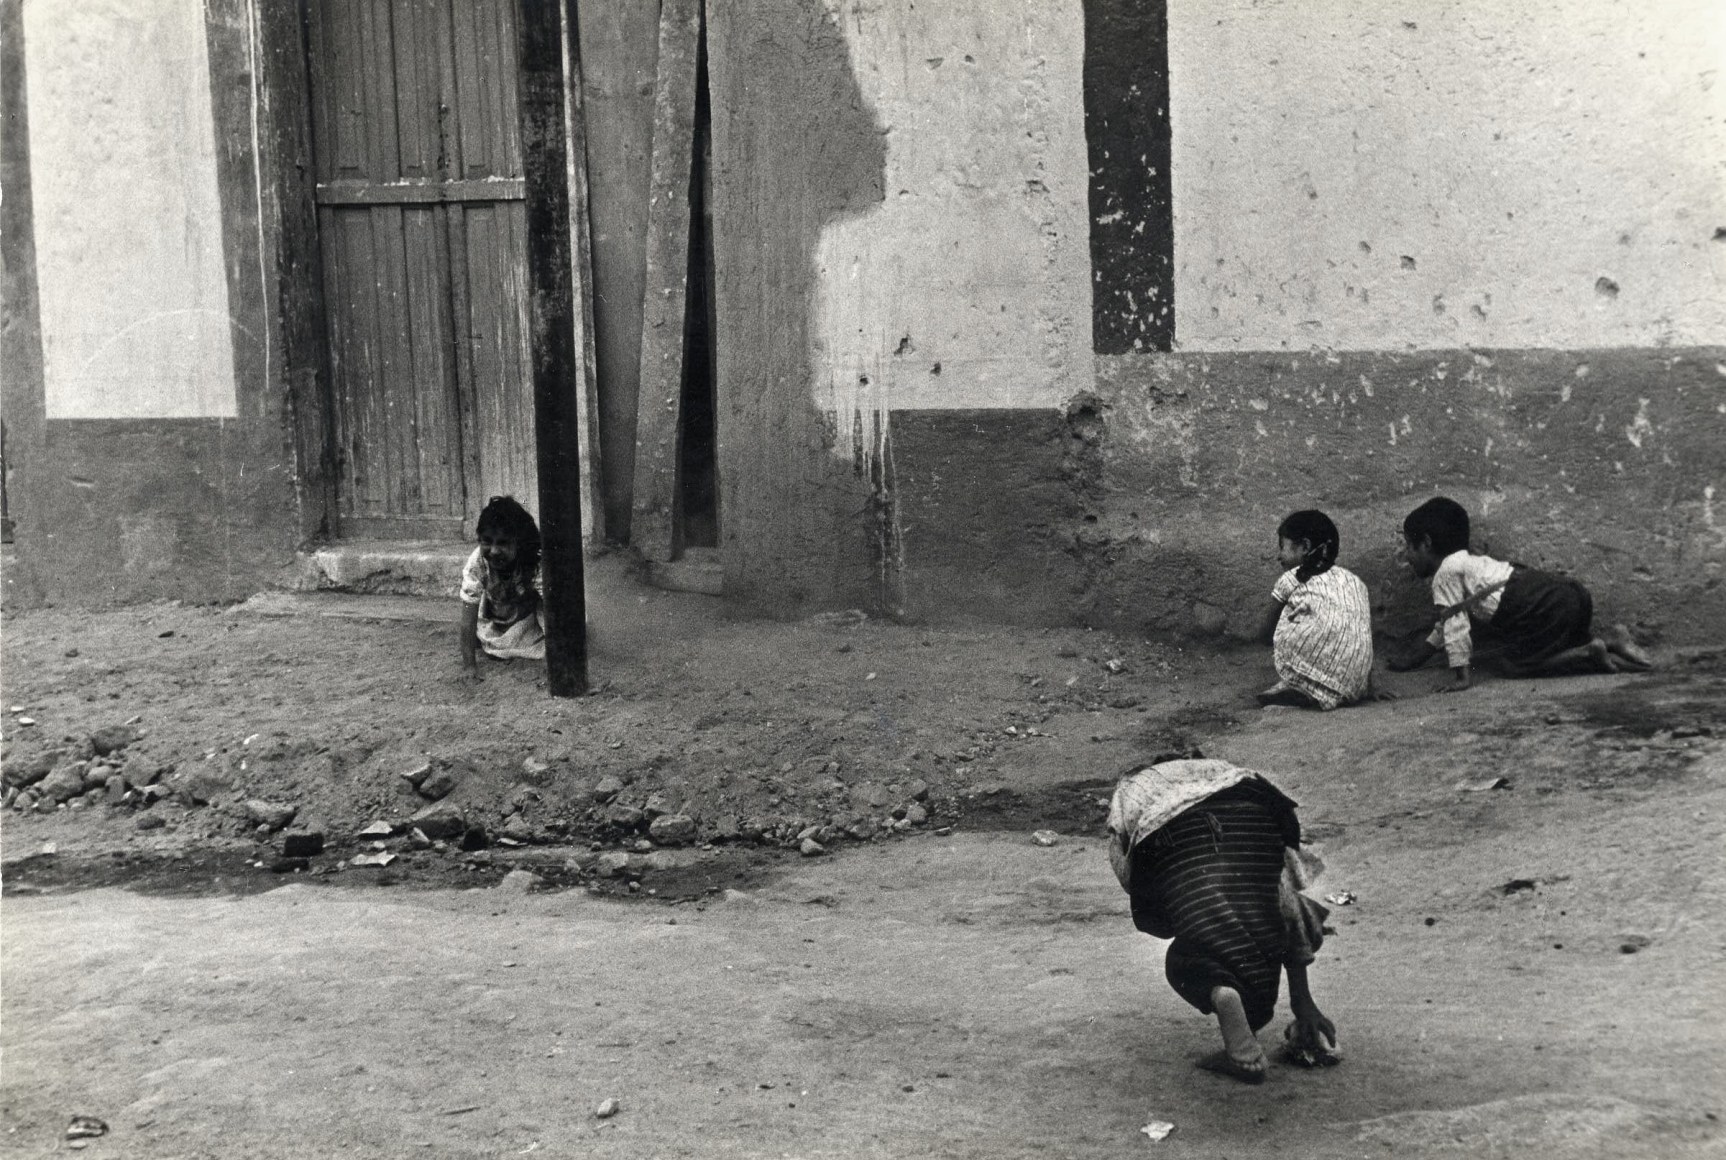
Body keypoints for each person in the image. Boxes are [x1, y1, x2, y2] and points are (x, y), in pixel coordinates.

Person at [1108, 755, 1339, 1085]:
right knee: (1266, 928)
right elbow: (1289, 908)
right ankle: (1241, 1025)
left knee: (1186, 960)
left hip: (1167, 834)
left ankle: (1226, 1006)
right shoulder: (1219, 771)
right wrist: (1304, 1003)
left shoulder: (1132, 792)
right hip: (1254, 817)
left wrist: (1176, 909)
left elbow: (1134, 880)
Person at [1387, 496, 1651, 692]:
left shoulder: (1445, 574)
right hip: (1566, 594)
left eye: (1409, 546)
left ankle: (1589, 652)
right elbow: (1446, 622)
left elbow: (1455, 627)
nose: (1407, 556)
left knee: (1513, 665)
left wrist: (1461, 678)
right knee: (1550, 646)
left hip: (1538, 605)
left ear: (1426, 543)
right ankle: (1610, 639)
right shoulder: (1470, 563)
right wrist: (1414, 660)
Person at [1255, 510, 1375, 709]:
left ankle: (1299, 685)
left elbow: (1265, 631)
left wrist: (1271, 637)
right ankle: (1322, 689)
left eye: (1282, 547)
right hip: (1356, 686)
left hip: (1315, 668)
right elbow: (1362, 637)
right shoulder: (1355, 582)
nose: (1278, 556)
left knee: (1290, 615)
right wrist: (1370, 686)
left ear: (1305, 546)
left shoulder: (1292, 578)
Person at [458, 495, 546, 678]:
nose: (494, 551)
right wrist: (469, 667)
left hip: (530, 619)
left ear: (519, 542)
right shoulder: (478, 563)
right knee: (492, 641)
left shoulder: (535, 562)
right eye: (487, 541)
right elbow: (468, 614)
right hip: (497, 617)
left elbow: (554, 608)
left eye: (503, 543)